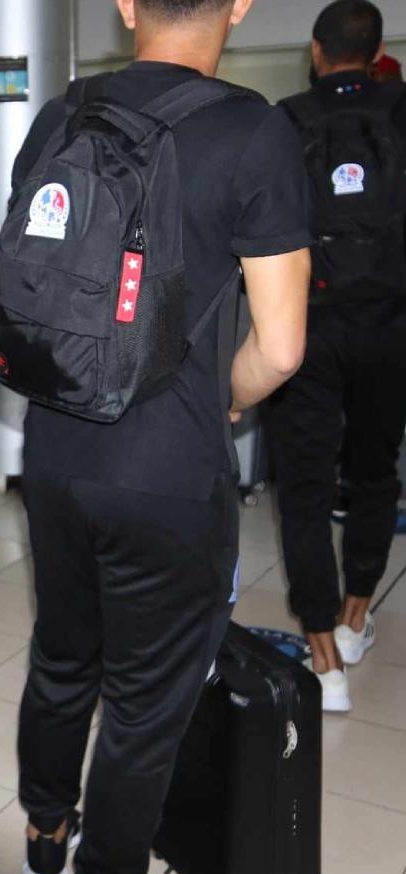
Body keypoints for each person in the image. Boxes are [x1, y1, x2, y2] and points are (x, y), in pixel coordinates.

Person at [7, 0, 310, 874]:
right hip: (168, 467)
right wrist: (222, 402)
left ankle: (44, 839)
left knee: (62, 656)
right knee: (142, 709)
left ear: (126, 4)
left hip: (54, 450)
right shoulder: (255, 132)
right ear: (241, 4)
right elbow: (281, 347)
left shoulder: (61, 114)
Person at [269, 0, 406, 712]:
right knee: (375, 472)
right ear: (377, 53)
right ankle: (355, 619)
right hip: (391, 325)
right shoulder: (400, 109)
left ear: (317, 52)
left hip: (309, 328)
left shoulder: (285, 120)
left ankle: (324, 662)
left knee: (304, 485)